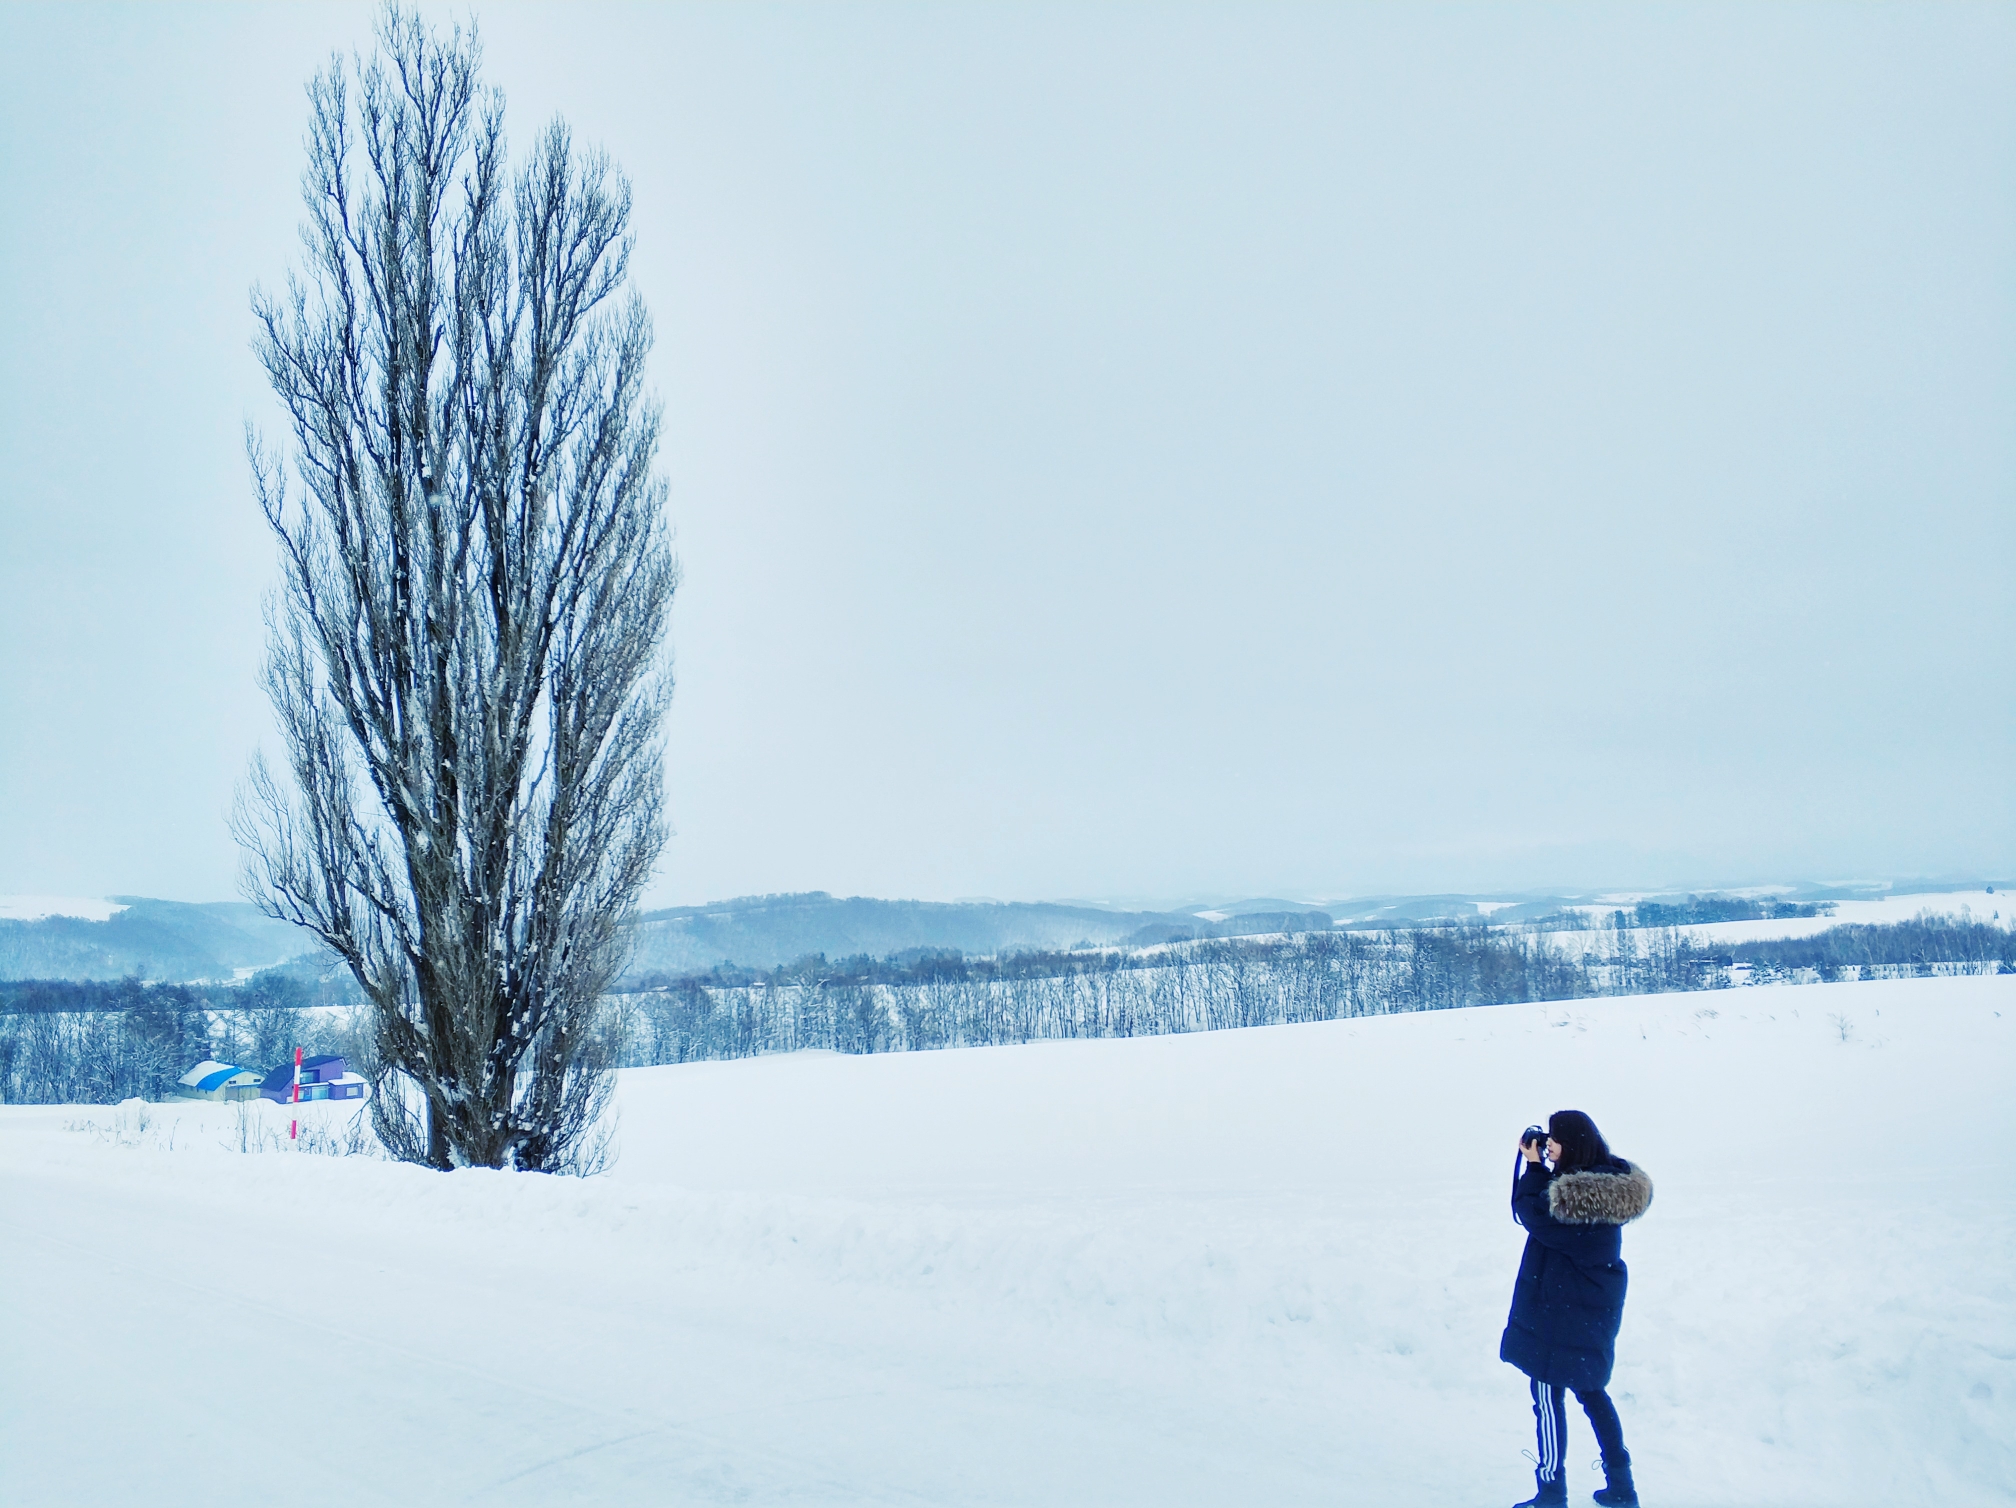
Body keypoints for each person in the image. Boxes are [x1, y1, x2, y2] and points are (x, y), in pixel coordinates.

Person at [1500, 1110, 1654, 1507]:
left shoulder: (1573, 1201)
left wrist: (1533, 1166)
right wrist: (1544, 1164)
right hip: (1587, 1309)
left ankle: (1551, 1491)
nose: (1548, 1144)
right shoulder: (1603, 1183)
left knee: (1547, 1395)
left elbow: (1532, 1212)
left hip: (1563, 1311)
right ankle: (1622, 1486)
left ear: (1573, 1144)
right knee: (1591, 1391)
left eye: (1555, 1139)